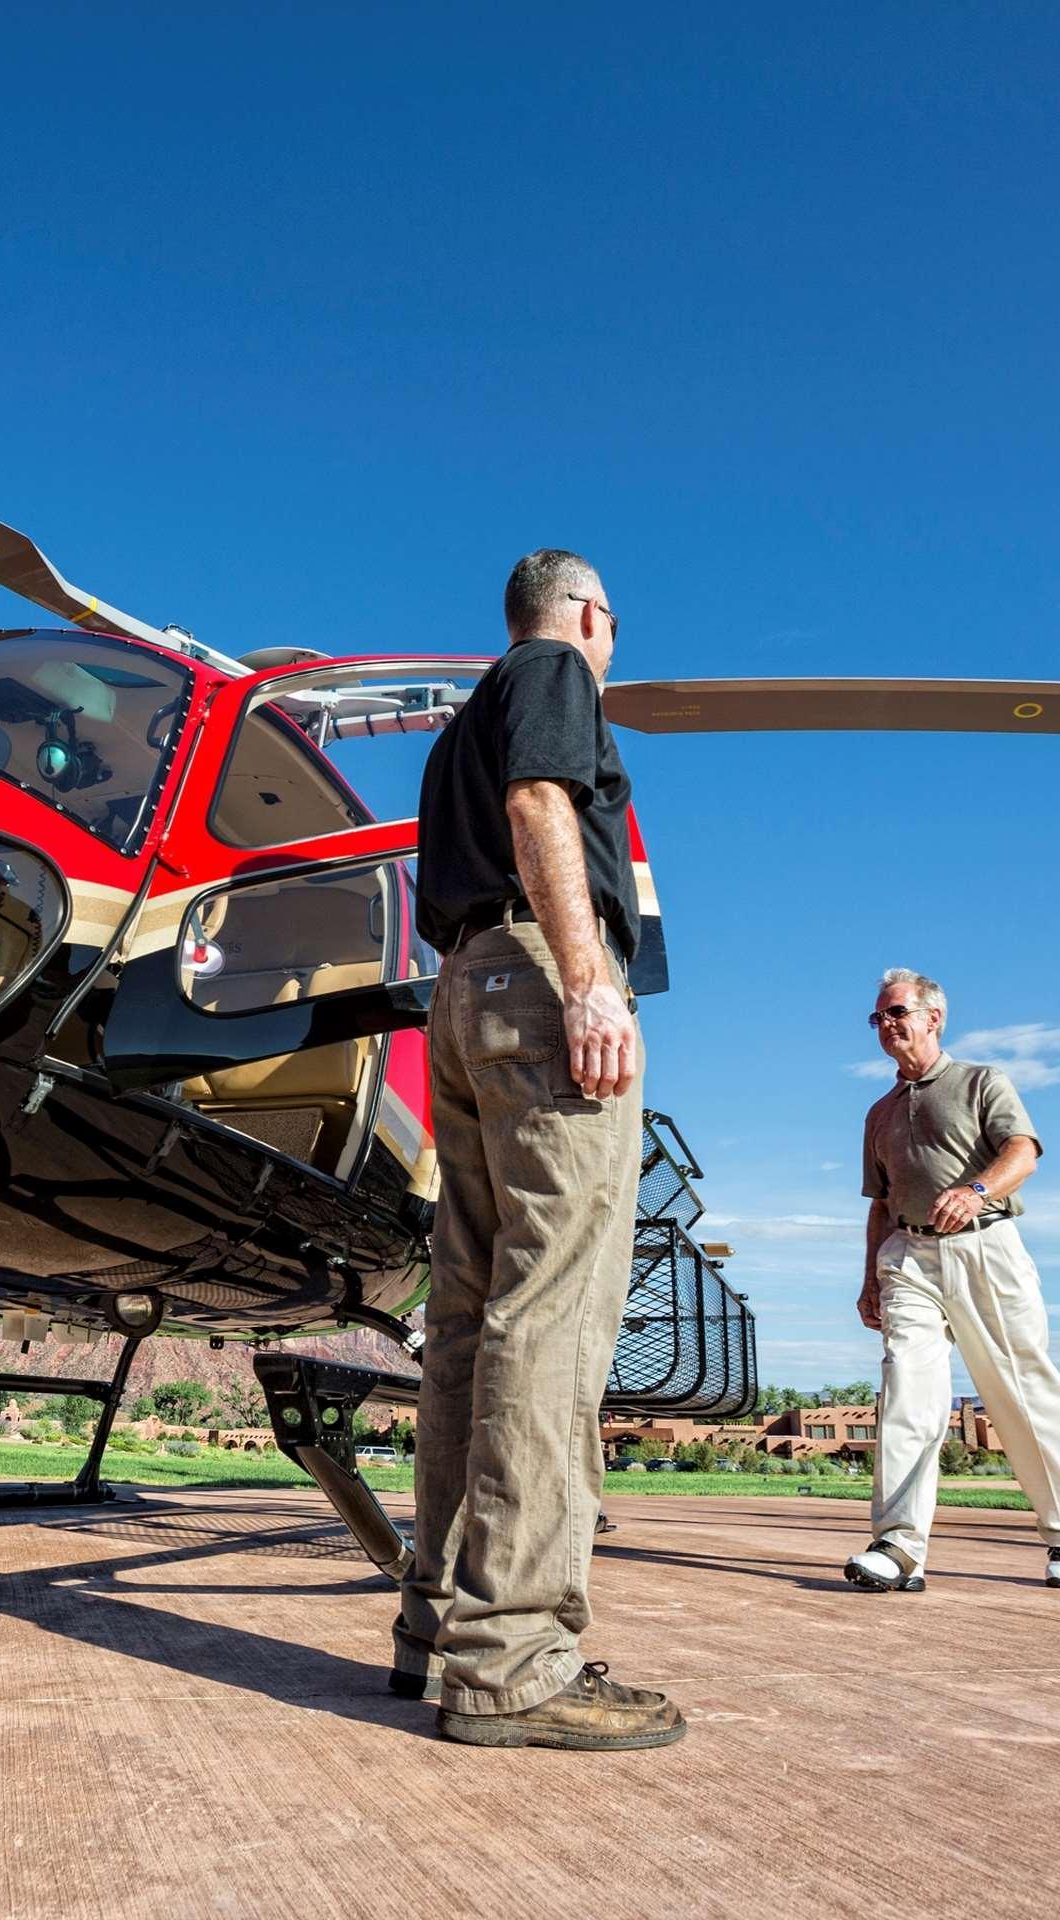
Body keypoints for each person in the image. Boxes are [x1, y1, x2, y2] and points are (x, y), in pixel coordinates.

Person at [391, 549, 681, 1750]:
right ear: (591, 615)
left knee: (468, 1313)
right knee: (551, 1309)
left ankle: (436, 1628)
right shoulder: (555, 668)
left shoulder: (458, 726)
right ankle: (513, 1657)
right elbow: (541, 804)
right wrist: (589, 981)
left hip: (461, 992)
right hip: (533, 984)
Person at [843, 969, 1060, 1594]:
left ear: (934, 1017)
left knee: (1018, 1391)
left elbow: (1023, 1151)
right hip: (908, 1255)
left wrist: (977, 1189)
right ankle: (900, 1545)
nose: (887, 1025)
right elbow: (879, 1202)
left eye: (897, 1012)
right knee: (907, 1391)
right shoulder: (878, 1112)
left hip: (985, 1247)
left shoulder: (982, 1081)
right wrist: (870, 1277)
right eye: (877, 1017)